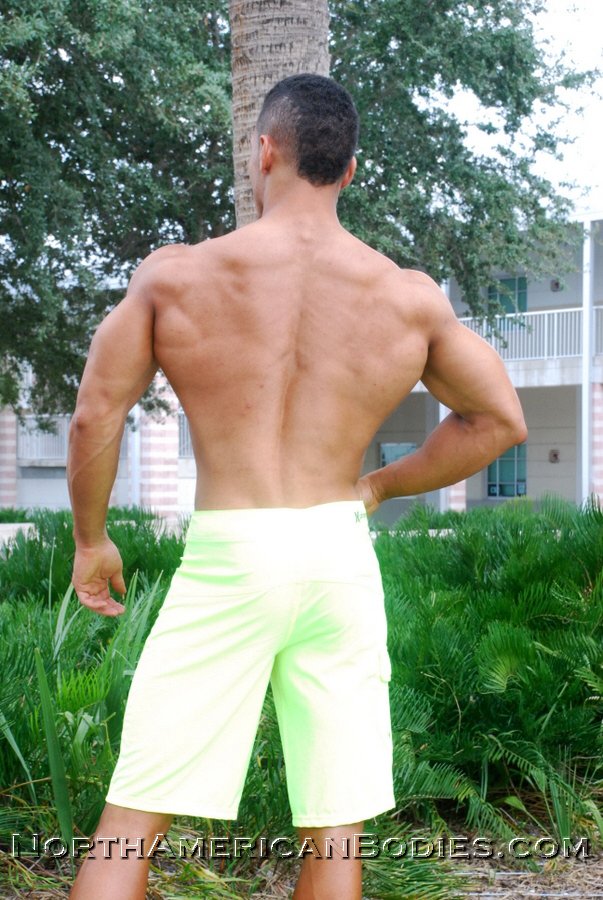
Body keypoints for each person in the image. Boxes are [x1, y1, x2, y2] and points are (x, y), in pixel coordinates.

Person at [67, 73, 527, 900]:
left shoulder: (175, 277)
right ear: (348, 170)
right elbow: (497, 421)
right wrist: (377, 487)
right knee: (336, 823)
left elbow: (95, 415)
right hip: (335, 556)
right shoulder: (407, 297)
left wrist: (91, 540)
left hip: (232, 552)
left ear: (264, 152)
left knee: (134, 813)